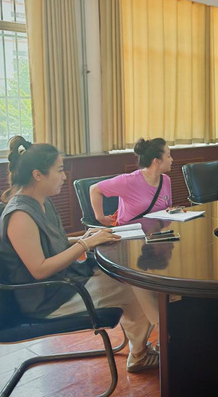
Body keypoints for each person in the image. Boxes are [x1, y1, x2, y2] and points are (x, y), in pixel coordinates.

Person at [0, 136, 159, 373]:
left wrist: (86, 237)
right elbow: (39, 269)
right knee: (132, 284)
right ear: (38, 175)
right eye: (59, 170)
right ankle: (154, 344)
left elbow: (51, 243)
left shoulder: (40, 202)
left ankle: (144, 349)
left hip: (62, 284)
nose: (64, 177)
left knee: (132, 277)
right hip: (47, 300)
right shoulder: (20, 215)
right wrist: (85, 244)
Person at [90, 138, 173, 226]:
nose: (171, 159)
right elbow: (94, 189)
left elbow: (167, 209)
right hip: (129, 231)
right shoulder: (128, 181)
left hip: (157, 231)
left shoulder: (166, 180)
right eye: (168, 156)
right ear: (157, 161)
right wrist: (101, 218)